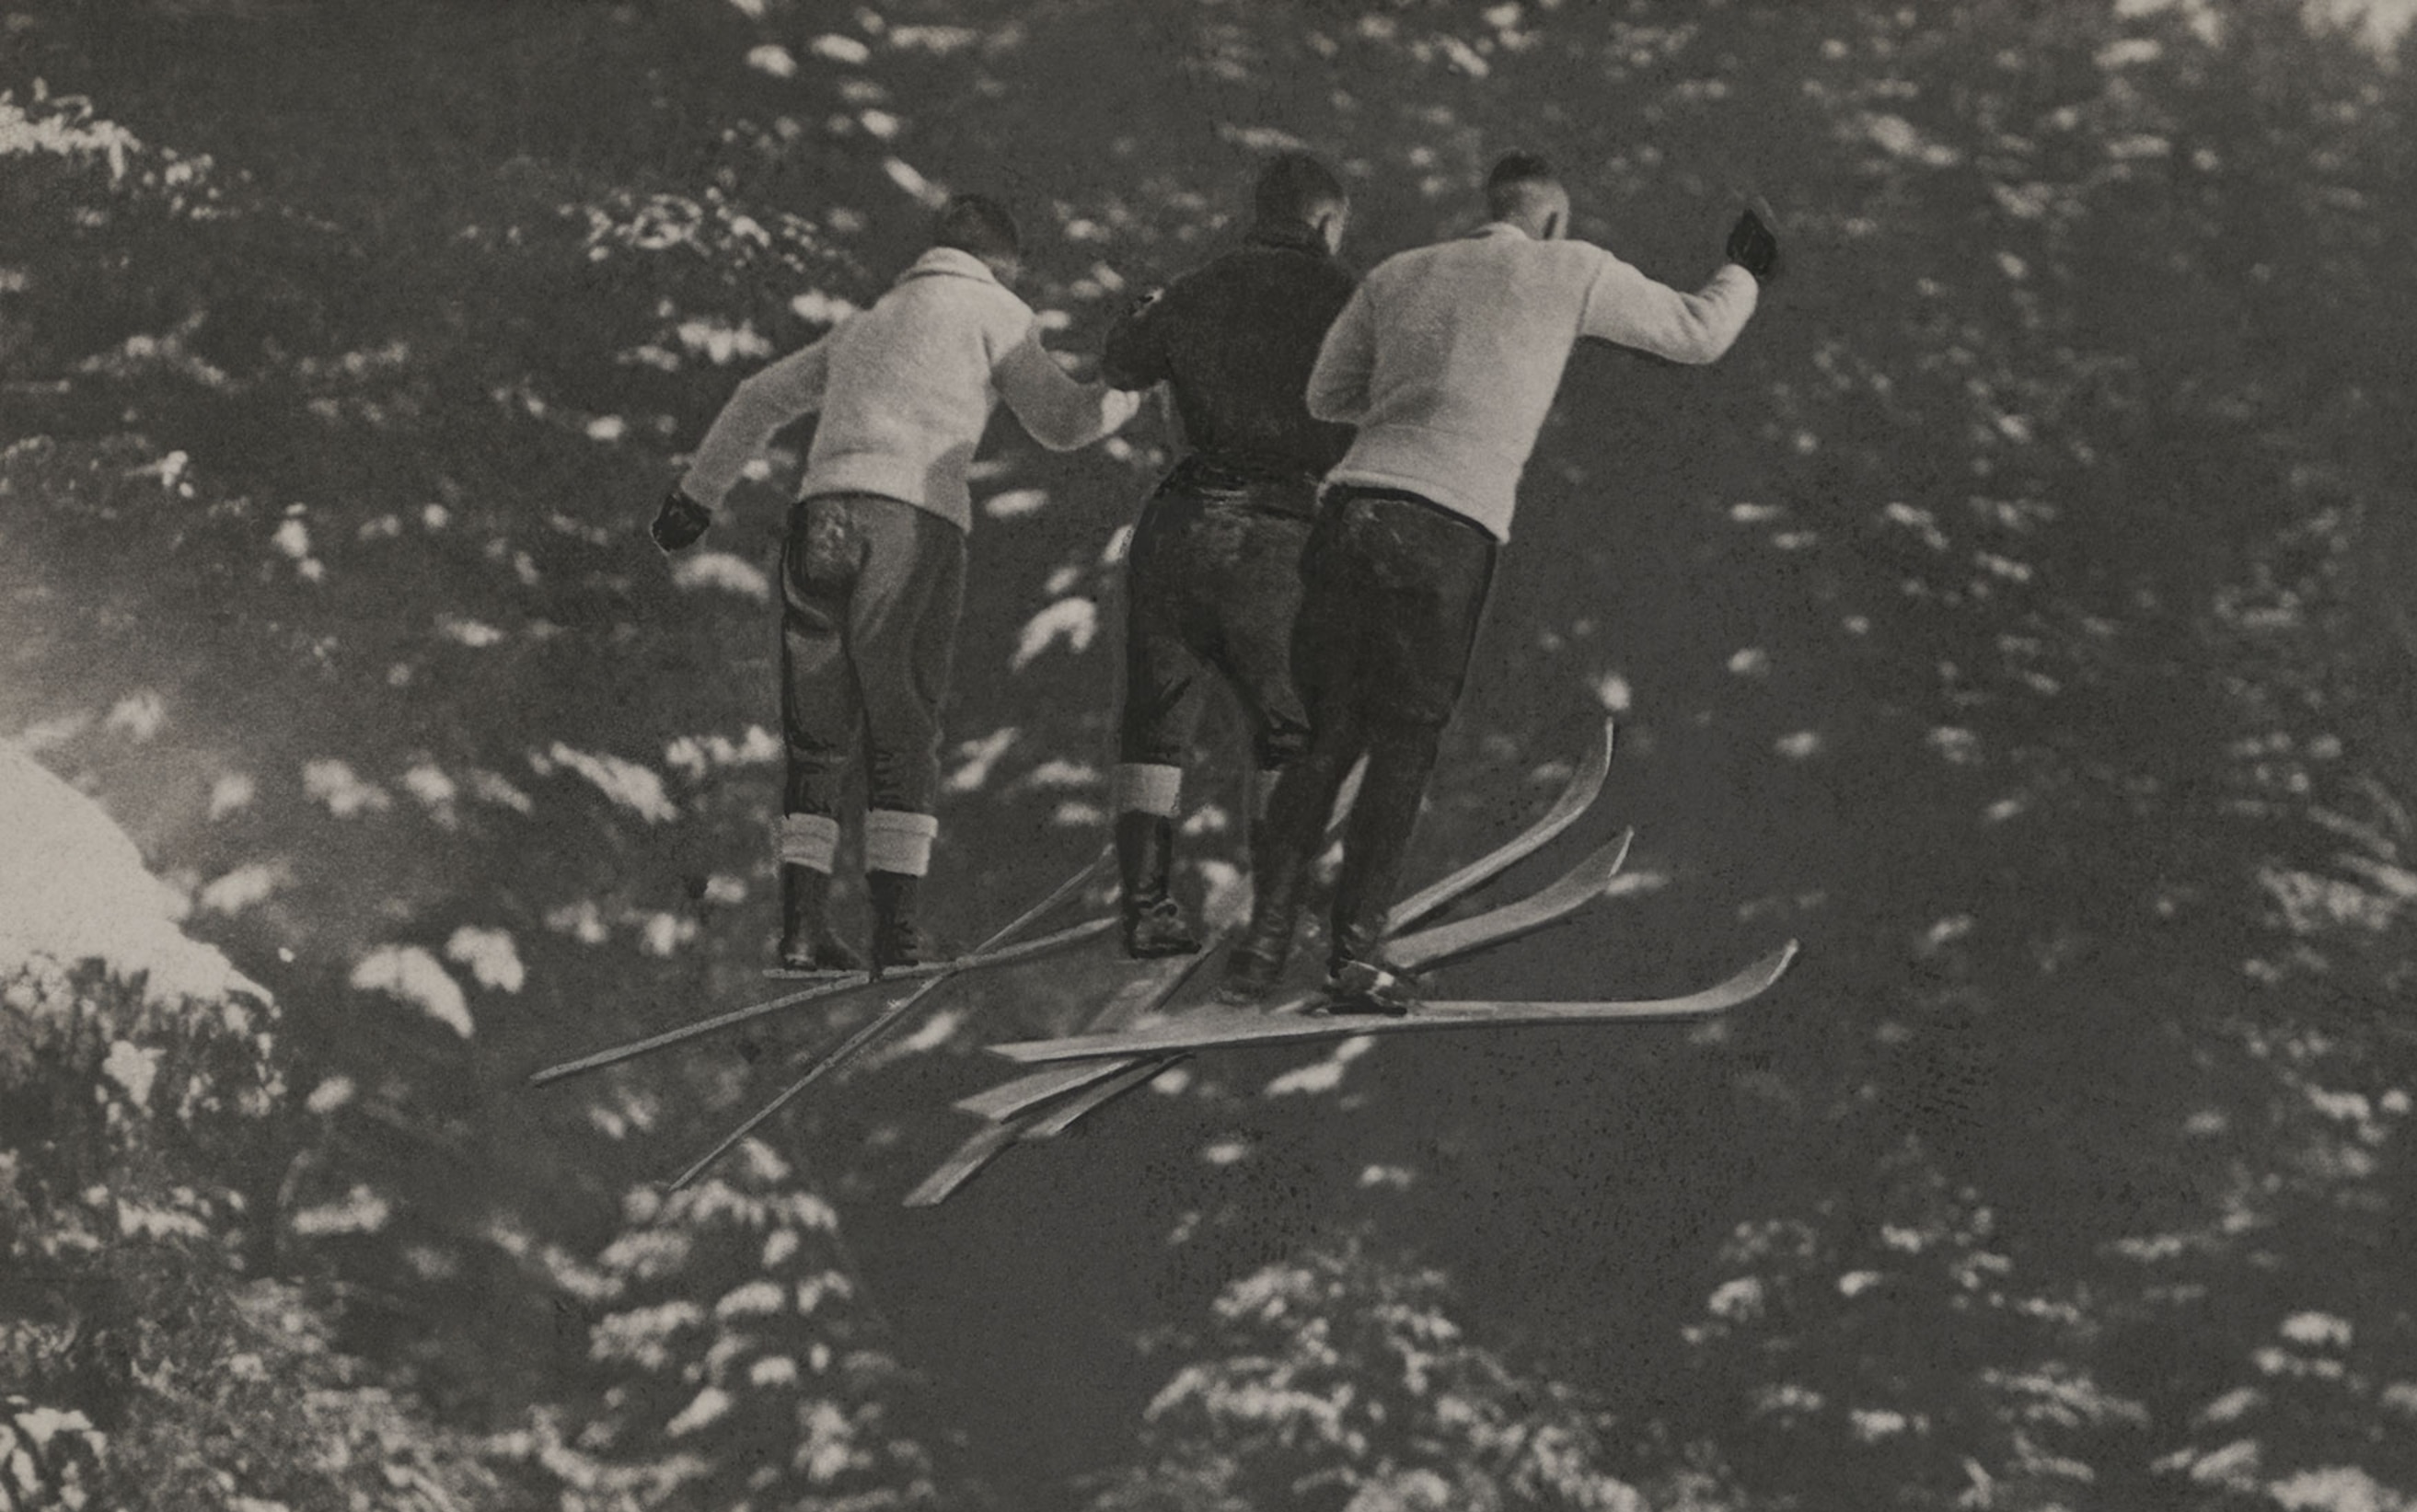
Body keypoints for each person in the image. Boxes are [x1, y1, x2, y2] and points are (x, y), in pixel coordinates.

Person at [1220, 153, 1779, 1012]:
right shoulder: (1570, 267)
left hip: (1353, 509)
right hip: (1450, 524)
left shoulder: (1397, 273)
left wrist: (1413, 392)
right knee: (1403, 744)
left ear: (1485, 207)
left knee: (1324, 734)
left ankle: (1260, 947)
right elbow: (1697, 335)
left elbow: (1327, 396)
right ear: (1552, 218)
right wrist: (1745, 268)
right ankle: (1353, 955)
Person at [650, 196, 1141, 975]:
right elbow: (1063, 424)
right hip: (913, 523)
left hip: (821, 516)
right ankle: (898, 932)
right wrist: (1130, 386)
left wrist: (695, 498)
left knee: (817, 735)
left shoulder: (868, 321)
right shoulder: (997, 313)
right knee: (903, 721)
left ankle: (802, 931)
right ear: (1003, 263)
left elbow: (756, 397)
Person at [1095, 151, 1359, 958]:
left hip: (1176, 527)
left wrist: (1150, 314)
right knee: (1289, 727)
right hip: (1274, 531)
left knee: (1155, 728)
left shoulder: (1197, 287)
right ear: (1323, 220)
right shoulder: (1349, 299)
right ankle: (1285, 910)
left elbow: (1121, 363)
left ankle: (1145, 907)